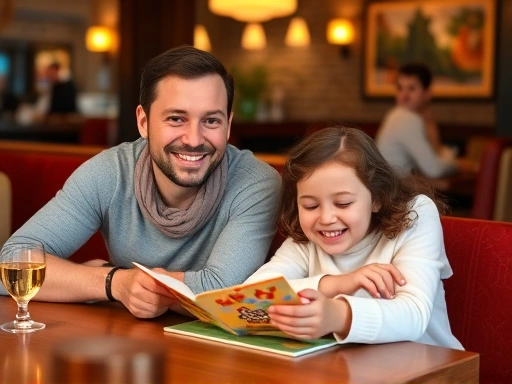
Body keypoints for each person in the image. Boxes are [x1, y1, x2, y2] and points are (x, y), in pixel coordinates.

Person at [1, 46, 281, 319]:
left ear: (229, 125)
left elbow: (222, 294)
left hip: (221, 357)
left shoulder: (255, 183)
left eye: (211, 121)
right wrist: (113, 282)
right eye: (176, 118)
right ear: (143, 122)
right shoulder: (110, 172)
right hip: (128, 348)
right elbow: (10, 266)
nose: (194, 139)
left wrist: (92, 279)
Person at [245, 126, 463, 350]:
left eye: (343, 203)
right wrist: (338, 283)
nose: (326, 218)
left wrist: (337, 315)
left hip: (430, 368)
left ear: (377, 197)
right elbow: (248, 297)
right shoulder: (307, 239)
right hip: (346, 369)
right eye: (310, 205)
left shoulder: (416, 214)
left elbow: (414, 314)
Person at [375, 62, 476, 178]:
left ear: (426, 93)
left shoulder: (397, 115)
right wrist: (457, 164)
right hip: (391, 192)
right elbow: (433, 170)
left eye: (411, 89)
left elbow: (433, 153)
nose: (404, 95)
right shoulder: (406, 119)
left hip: (389, 189)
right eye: (400, 88)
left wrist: (429, 121)